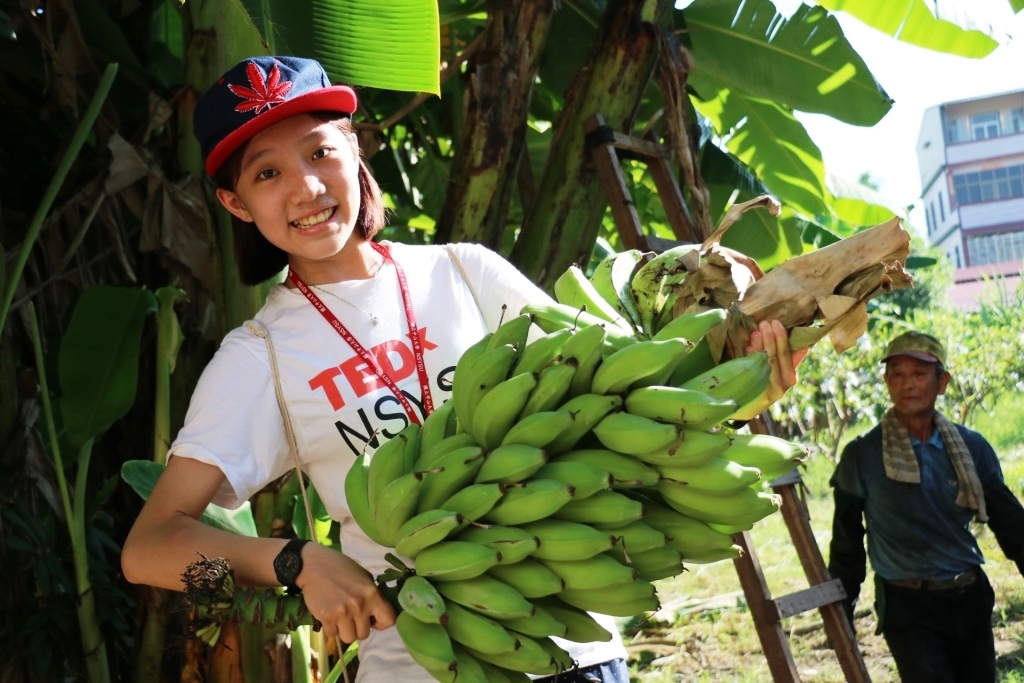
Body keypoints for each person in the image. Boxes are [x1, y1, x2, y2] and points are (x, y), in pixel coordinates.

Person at [121, 55, 803, 682]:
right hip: (421, 663)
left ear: (354, 150)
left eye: (319, 151)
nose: (305, 187)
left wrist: (735, 393)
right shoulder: (259, 356)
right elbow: (148, 548)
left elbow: (613, 404)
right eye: (266, 173)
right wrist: (294, 562)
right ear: (237, 203)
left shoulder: (463, 272)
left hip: (574, 654)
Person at [827, 330, 1024, 683]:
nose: (908, 384)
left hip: (969, 595)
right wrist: (842, 608)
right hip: (908, 605)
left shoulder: (971, 448)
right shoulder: (863, 454)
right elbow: (847, 541)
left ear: (942, 382)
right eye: (898, 374)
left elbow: (1011, 523)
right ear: (887, 382)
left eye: (919, 374)